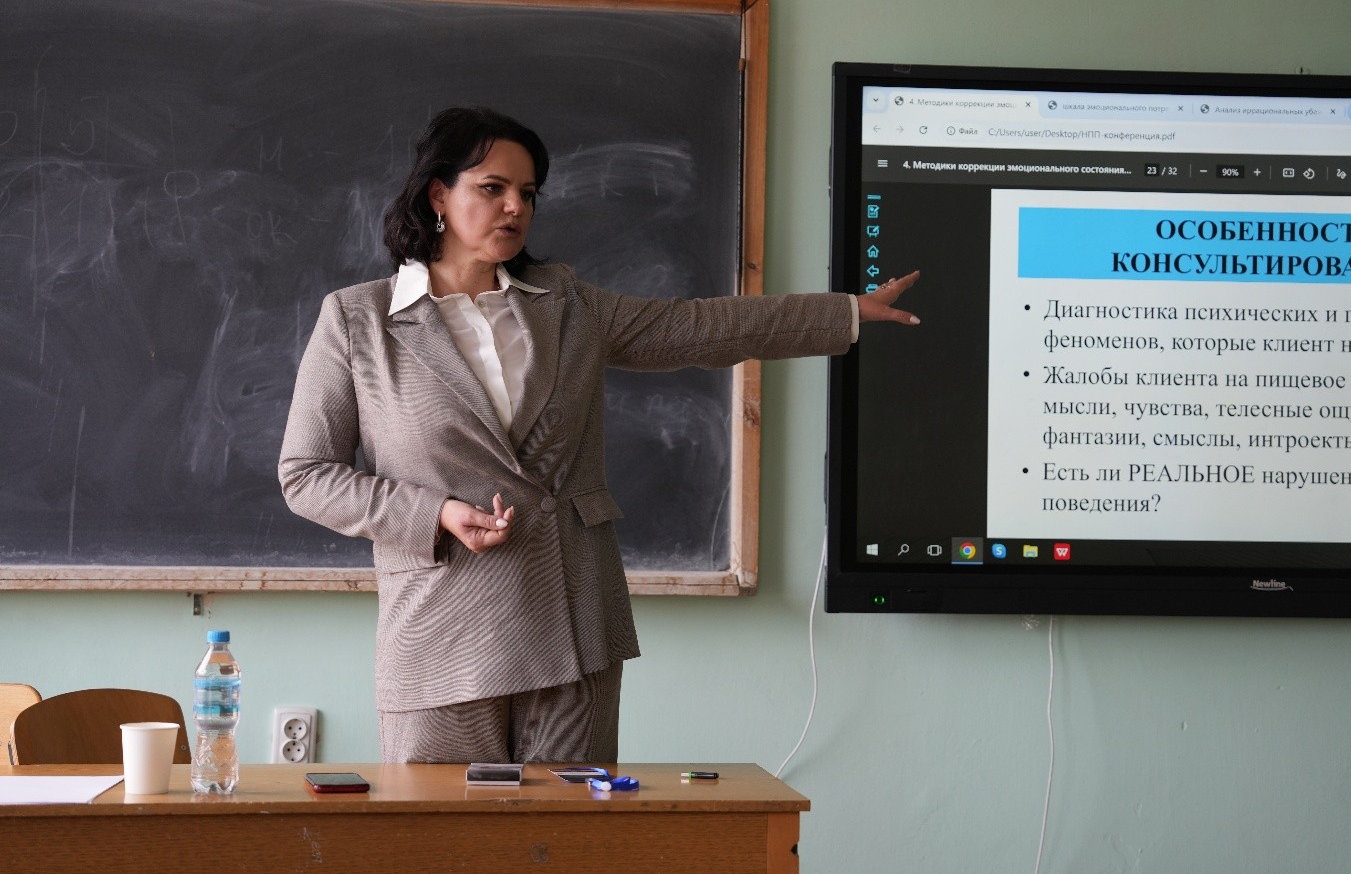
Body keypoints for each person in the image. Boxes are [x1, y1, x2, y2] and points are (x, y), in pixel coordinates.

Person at [279, 106, 919, 764]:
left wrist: (845, 312)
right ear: (439, 194)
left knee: (571, 826)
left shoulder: (567, 304)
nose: (515, 207)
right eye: (492, 188)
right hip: (441, 630)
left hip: (570, 620)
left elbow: (698, 328)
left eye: (528, 193)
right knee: (443, 827)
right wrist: (436, 511)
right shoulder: (359, 320)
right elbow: (306, 474)